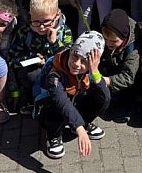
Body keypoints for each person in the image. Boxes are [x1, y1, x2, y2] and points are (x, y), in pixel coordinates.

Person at [33, 31, 109, 159]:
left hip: (74, 101)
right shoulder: (54, 74)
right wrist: (79, 129)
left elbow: (105, 97)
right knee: (57, 103)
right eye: (75, 56)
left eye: (84, 60)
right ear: (71, 52)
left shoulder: (90, 70)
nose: (77, 63)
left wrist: (95, 73)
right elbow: (62, 102)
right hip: (49, 109)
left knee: (101, 97)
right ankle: (53, 136)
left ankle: (84, 122)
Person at [6, 0, 72, 115]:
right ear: (30, 15)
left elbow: (69, 59)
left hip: (57, 71)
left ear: (57, 15)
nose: (41, 27)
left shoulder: (65, 32)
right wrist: (32, 58)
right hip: (32, 72)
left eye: (46, 21)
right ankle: (33, 101)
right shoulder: (24, 32)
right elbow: (11, 59)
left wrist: (54, 43)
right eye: (35, 21)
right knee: (32, 75)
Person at [99, 9, 140, 95]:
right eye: (105, 39)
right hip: (110, 66)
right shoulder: (103, 37)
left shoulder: (132, 50)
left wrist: (106, 81)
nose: (108, 43)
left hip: (128, 80)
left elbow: (128, 77)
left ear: (124, 37)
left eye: (114, 41)